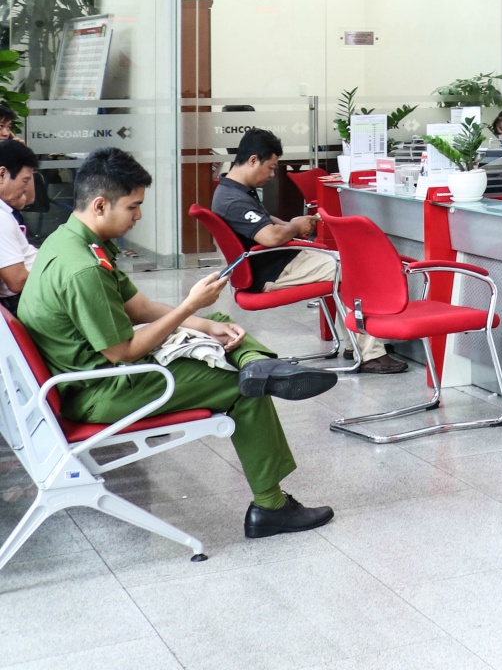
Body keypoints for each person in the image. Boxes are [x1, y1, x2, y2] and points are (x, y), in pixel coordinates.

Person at [19, 148, 337, 538]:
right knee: (244, 389)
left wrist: (200, 319)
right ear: (100, 205)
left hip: (89, 375)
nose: (139, 216)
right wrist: (189, 304)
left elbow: (139, 307)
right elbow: (123, 352)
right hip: (100, 391)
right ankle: (271, 507)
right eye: (133, 206)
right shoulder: (84, 270)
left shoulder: (69, 241)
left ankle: (256, 361)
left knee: (215, 325)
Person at [212, 129, 404, 374]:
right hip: (275, 270)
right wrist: (293, 227)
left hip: (278, 262)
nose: (272, 175)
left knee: (346, 264)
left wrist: (292, 225)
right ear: (252, 160)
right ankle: (370, 355)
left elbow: (264, 223)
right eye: (270, 168)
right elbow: (270, 237)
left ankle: (356, 345)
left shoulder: (234, 190)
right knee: (354, 271)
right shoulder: (233, 200)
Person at [0, 141, 38, 312]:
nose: (26, 189)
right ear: (2, 174)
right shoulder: (1, 219)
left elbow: (28, 199)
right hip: (23, 299)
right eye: (25, 181)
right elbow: (17, 282)